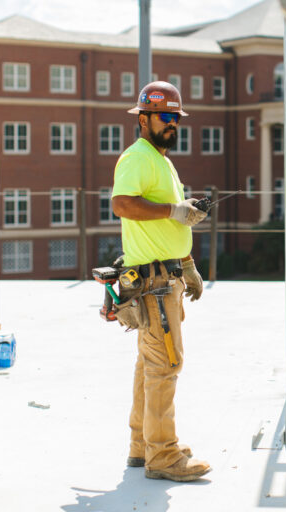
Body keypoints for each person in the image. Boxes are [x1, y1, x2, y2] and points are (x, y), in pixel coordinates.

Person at [111, 81, 210, 482]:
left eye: (175, 118)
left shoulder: (162, 160)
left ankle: (143, 445)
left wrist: (187, 264)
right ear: (144, 119)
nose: (171, 124)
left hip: (165, 276)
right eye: (164, 117)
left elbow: (169, 220)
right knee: (166, 363)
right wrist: (174, 210)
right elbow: (122, 204)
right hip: (152, 283)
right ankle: (164, 457)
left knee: (148, 364)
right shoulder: (137, 157)